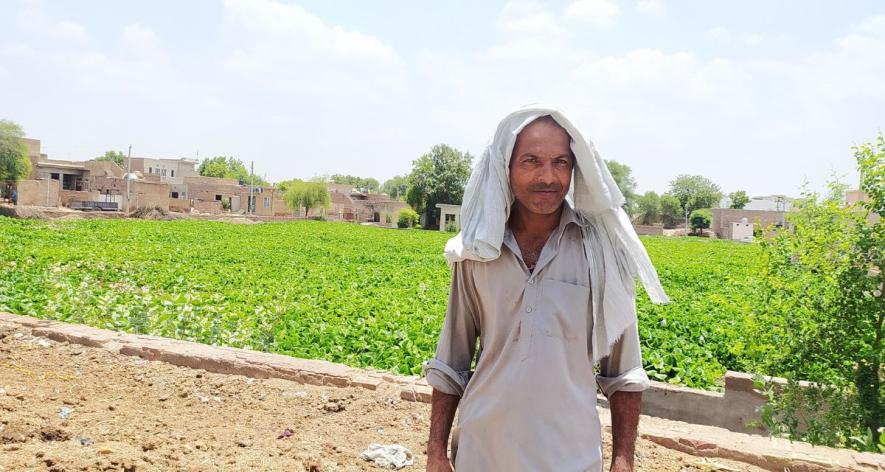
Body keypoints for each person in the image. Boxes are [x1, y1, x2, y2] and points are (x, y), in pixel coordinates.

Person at [423, 106, 669, 472]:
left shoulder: (601, 252)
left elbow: (624, 373)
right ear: (506, 168)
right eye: (531, 161)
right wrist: (436, 452)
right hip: (482, 452)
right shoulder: (476, 252)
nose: (548, 176)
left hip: (570, 455)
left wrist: (623, 460)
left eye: (561, 162)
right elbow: (451, 361)